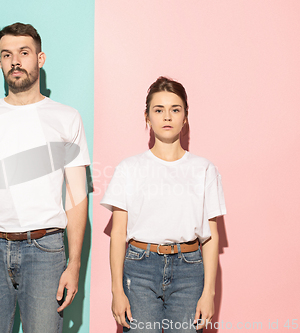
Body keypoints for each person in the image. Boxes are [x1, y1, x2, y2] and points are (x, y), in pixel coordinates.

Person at [0, 22, 90, 333]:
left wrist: (74, 264)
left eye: (24, 52)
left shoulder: (66, 118)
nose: (15, 61)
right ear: (0, 61)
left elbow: (77, 196)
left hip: (46, 250)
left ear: (40, 59)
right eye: (7, 54)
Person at [101, 77, 226, 332]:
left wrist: (208, 293)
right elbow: (118, 233)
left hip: (189, 271)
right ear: (147, 117)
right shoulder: (129, 168)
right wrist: (116, 290)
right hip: (139, 269)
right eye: (158, 110)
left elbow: (211, 236)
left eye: (175, 109)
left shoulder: (204, 169)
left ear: (185, 117)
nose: (167, 117)